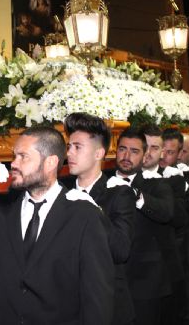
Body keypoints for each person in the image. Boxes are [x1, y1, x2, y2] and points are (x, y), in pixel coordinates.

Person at [0, 126, 115, 324]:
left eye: (23, 157)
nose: (14, 163)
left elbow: (97, 296)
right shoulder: (2, 207)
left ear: (50, 162)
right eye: (14, 156)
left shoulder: (83, 215)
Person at [62, 113, 136, 325]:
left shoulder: (118, 194)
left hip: (107, 305)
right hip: (65, 305)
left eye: (78, 147)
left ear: (99, 153)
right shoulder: (61, 191)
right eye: (69, 147)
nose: (70, 153)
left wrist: (92, 209)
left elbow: (121, 250)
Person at [111, 126, 173, 325]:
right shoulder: (103, 182)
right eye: (122, 149)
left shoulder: (155, 185)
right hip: (110, 281)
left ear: (144, 155)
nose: (127, 156)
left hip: (145, 281)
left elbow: (166, 212)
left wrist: (136, 195)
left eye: (134, 151)